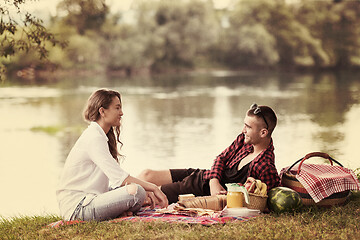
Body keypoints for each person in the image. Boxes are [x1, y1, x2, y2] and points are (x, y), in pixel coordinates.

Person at [56, 89, 168, 221]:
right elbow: (120, 178)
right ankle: (118, 212)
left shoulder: (99, 135)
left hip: (90, 199)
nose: (121, 113)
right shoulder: (94, 138)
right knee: (136, 192)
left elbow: (114, 183)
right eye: (117, 108)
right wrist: (153, 187)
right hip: (78, 208)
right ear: (102, 111)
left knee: (136, 191)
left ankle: (118, 212)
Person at [138, 103, 280, 203]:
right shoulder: (244, 140)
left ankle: (118, 202)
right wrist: (214, 181)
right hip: (205, 175)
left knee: (150, 194)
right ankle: (115, 192)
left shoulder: (264, 166)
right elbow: (221, 158)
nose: (243, 130)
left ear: (263, 132)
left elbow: (263, 199)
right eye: (244, 124)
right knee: (146, 174)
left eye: (248, 127)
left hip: (199, 189)